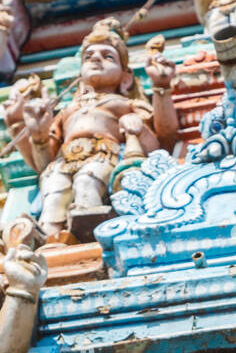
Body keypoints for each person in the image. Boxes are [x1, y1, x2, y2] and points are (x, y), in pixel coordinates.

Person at [4, 19, 179, 240]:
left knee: (88, 183)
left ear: (126, 79)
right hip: (62, 160)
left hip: (102, 155)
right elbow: (43, 163)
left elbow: (165, 139)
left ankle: (89, 230)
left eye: (108, 56)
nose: (96, 58)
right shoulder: (68, 110)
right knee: (53, 192)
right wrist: (36, 134)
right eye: (89, 56)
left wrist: (160, 89)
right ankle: (49, 236)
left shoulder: (123, 104)